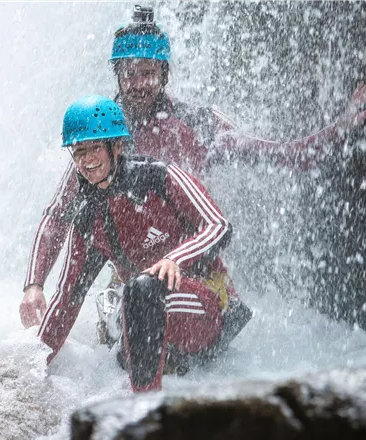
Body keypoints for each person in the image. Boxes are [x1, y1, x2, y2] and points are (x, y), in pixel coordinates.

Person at [21, 5, 366, 343]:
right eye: (129, 72)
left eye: (148, 71)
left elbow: (283, 156)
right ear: (117, 74)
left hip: (195, 279)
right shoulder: (102, 136)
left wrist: (342, 125)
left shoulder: (198, 124)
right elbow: (58, 212)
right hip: (135, 283)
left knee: (155, 328)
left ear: (164, 73)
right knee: (127, 327)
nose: (138, 82)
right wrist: (34, 284)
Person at [22, 95, 247, 392]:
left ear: (117, 146)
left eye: (94, 149)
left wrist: (175, 259)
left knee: (141, 290)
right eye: (78, 152)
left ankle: (144, 412)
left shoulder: (160, 176)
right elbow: (66, 299)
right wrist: (30, 370)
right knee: (129, 308)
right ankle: (139, 370)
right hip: (145, 315)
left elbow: (219, 226)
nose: (87, 160)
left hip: (205, 307)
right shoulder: (89, 218)